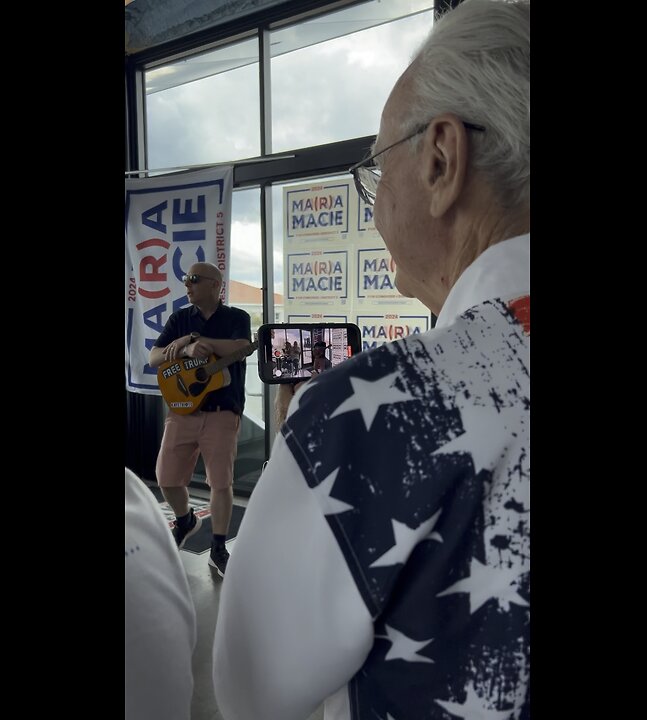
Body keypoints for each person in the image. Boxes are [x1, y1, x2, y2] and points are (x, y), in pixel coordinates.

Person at [213, 1, 530, 718]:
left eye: (377, 169)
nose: (374, 205)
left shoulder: (374, 416)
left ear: (444, 159)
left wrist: (316, 444)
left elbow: (249, 694)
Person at [147, 261, 252, 577]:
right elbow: (154, 357)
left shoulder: (237, 318)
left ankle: (218, 547)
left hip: (222, 412)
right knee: (166, 478)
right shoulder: (180, 318)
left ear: (215, 285)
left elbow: (243, 347)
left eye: (193, 279)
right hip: (181, 410)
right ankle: (185, 520)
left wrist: (200, 343)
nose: (187, 285)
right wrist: (184, 347)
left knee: (221, 482)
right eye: (185, 279)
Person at [124, 468, 194, 719]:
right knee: (167, 472)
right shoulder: (136, 499)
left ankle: (216, 544)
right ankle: (187, 520)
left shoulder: (135, 501)